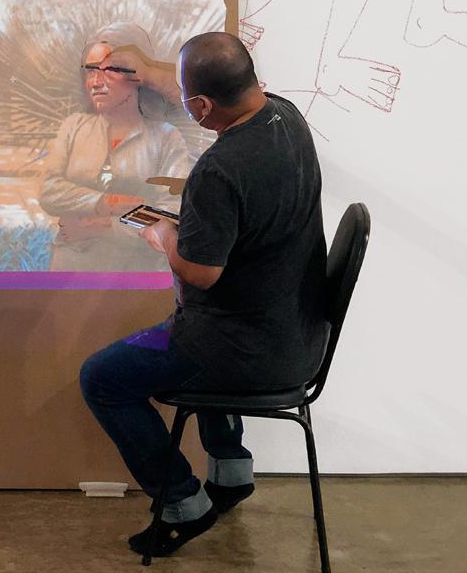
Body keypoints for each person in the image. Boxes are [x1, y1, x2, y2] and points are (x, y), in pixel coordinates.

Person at [79, 32, 330, 558]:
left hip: (242, 350)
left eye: (187, 98)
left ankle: (182, 504)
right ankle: (231, 473)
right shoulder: (286, 117)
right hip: (297, 334)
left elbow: (200, 273)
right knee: (188, 326)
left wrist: (163, 234)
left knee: (102, 378)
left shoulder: (220, 170)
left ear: (201, 106)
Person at [40, 22, 190, 271]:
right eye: (91, 70)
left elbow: (172, 211)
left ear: (138, 74)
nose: (96, 81)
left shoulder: (165, 138)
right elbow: (49, 190)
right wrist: (106, 202)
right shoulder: (74, 127)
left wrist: (103, 227)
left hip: (136, 273)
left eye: (110, 69)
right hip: (69, 270)